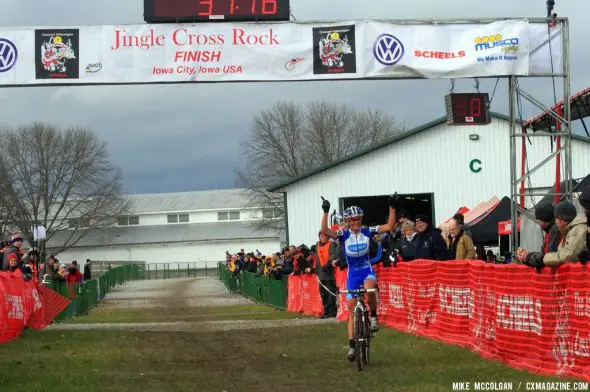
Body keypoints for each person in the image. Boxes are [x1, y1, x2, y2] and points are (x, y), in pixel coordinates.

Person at [319, 195, 397, 362]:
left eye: (357, 220)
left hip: (366, 270)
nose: (355, 223)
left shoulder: (368, 231)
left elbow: (390, 226)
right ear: (347, 221)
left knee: (370, 289)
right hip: (352, 274)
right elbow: (325, 231)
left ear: (361, 219)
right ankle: (352, 347)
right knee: (352, 311)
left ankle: (374, 316)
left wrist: (392, 207)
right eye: (351, 220)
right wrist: (325, 211)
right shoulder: (342, 234)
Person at [518, 201, 587, 270]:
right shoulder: (566, 230)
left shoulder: (574, 230)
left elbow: (565, 255)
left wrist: (531, 257)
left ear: (564, 220)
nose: (555, 221)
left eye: (557, 218)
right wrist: (531, 257)